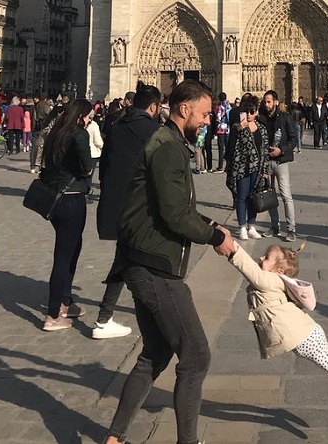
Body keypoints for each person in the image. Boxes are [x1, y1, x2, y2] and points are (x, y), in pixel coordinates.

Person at [102, 80, 236, 444]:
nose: (210, 120)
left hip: (144, 258)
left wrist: (210, 224)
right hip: (155, 263)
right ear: (183, 109)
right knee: (196, 358)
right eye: (205, 113)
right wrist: (214, 238)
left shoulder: (169, 142)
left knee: (156, 353)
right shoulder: (167, 147)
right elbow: (175, 215)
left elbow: (173, 206)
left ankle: (114, 439)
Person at [227, 242, 328, 411]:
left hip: (304, 335)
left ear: (280, 271)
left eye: (267, 257)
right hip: (303, 333)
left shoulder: (270, 279)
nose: (261, 258)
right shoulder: (271, 279)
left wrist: (232, 249)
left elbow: (250, 270)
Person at [94, 81, 161, 340]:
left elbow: (105, 167)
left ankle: (108, 316)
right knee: (138, 258)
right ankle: (105, 318)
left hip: (115, 204)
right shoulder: (154, 131)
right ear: (154, 107)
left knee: (129, 257)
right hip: (141, 205)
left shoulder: (116, 126)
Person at [38, 99, 95, 331]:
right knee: (64, 256)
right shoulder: (78, 135)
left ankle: (65, 301)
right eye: (89, 116)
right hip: (71, 199)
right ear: (80, 116)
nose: (90, 119)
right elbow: (87, 166)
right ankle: (53, 314)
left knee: (71, 250)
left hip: (55, 200)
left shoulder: (56, 134)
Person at [225, 95, 270, 241]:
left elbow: (264, 149)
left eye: (252, 111)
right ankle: (242, 227)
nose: (249, 114)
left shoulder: (262, 129)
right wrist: (238, 128)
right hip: (242, 167)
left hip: (257, 167)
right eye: (247, 111)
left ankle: (252, 226)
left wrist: (265, 169)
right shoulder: (238, 127)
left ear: (257, 112)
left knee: (253, 196)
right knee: (242, 196)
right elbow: (230, 145)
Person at [260, 90, 299, 242]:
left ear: (276, 102)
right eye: (265, 102)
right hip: (267, 162)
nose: (266, 104)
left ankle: (291, 229)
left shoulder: (285, 117)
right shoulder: (261, 118)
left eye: (268, 101)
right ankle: (274, 226)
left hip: (281, 161)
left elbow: (293, 139)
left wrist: (281, 150)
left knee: (285, 195)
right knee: (270, 195)